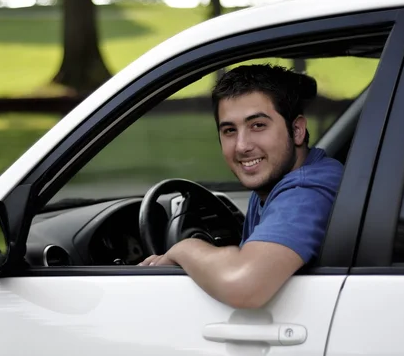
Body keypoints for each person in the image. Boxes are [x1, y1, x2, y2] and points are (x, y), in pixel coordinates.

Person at [138, 64, 344, 309]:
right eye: (229, 130)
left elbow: (244, 285)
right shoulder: (272, 185)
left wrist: (183, 248)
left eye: (258, 125)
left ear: (297, 130)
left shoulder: (304, 192)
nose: (241, 146)